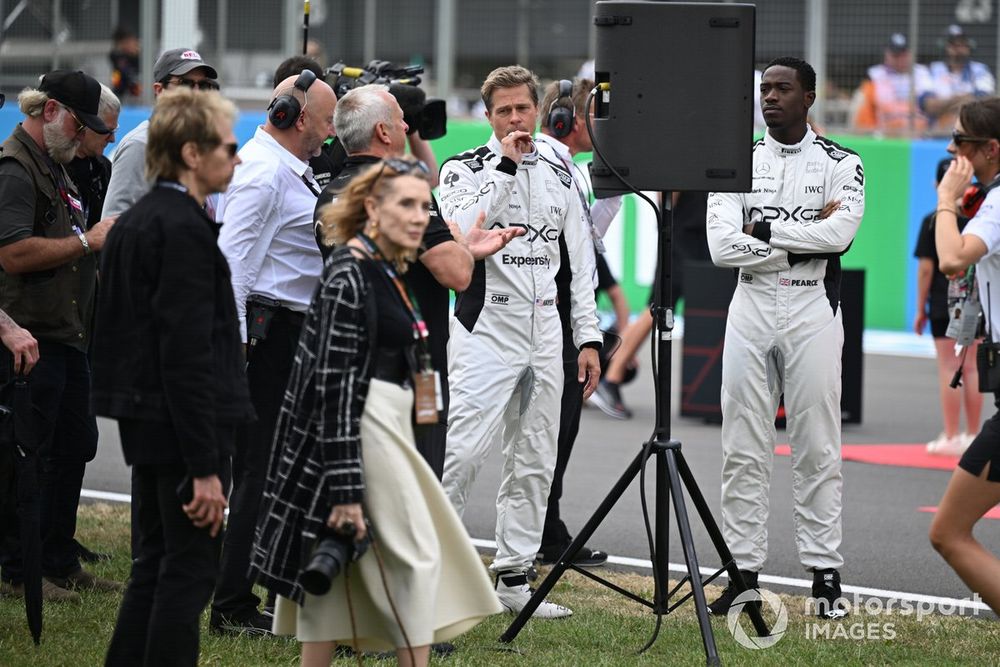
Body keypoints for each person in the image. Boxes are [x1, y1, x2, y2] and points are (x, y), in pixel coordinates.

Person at [251, 157, 501, 667]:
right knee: (414, 565)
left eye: (424, 206)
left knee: (339, 582)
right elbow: (333, 391)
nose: (418, 217)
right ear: (370, 208)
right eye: (405, 205)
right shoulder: (351, 275)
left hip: (387, 426)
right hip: (366, 430)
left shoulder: (385, 269)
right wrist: (344, 493)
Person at [438, 65, 603, 618]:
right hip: (486, 328)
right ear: (488, 116)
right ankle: (430, 571)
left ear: (539, 109)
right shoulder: (463, 167)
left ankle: (513, 578)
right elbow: (462, 227)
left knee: (535, 459)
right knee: (460, 452)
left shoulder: (560, 168)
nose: (515, 118)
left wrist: (588, 338)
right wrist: (507, 164)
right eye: (503, 110)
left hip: (545, 329)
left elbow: (581, 260)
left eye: (522, 108)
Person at [94, 87, 251, 667]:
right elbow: (186, 355)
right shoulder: (182, 229)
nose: (236, 159)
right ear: (191, 152)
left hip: (150, 422)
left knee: (155, 566)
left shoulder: (136, 222)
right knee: (187, 574)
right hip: (184, 428)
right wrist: (205, 468)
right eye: (228, 147)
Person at [705, 57, 865, 619]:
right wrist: (800, 239)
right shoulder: (734, 161)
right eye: (764, 89)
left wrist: (765, 229)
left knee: (817, 445)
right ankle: (742, 573)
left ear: (810, 96)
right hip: (748, 303)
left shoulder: (844, 163)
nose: (770, 97)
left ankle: (824, 575)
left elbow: (840, 235)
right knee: (741, 447)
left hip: (813, 306)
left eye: (782, 89)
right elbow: (722, 249)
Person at [315, 84, 519, 480]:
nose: (408, 124)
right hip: (412, 370)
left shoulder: (331, 191)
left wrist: (460, 247)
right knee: (416, 490)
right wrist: (461, 247)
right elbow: (457, 275)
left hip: (348, 366)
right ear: (383, 133)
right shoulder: (401, 192)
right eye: (399, 119)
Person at [212, 71, 338, 635]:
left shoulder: (290, 169)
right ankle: (232, 604)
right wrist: (234, 352)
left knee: (275, 472)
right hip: (266, 338)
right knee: (259, 472)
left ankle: (258, 591)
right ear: (299, 116)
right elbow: (231, 268)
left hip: (285, 333)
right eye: (328, 119)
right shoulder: (263, 173)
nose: (332, 132)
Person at [0, 70, 120, 603]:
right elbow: (13, 252)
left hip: (66, 332)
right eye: (79, 123)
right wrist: (87, 243)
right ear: (49, 110)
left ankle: (57, 558)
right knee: (25, 454)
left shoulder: (59, 164)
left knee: (74, 445)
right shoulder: (16, 168)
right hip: (30, 334)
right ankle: (15, 569)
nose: (82, 135)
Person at [532, 77, 618, 568]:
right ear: (567, 120)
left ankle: (548, 526)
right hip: (548, 313)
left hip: (565, 312)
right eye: (595, 117)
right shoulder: (550, 166)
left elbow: (589, 242)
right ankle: (541, 531)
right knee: (552, 430)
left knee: (561, 429)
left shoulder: (573, 170)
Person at [929, 96, 1000, 615]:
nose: (952, 149)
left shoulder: (996, 202)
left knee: (949, 532)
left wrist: (947, 200)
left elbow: (953, 259)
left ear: (990, 149)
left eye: (961, 140)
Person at [590, 191, 710, 420]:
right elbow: (669, 187)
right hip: (685, 232)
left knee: (666, 305)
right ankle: (612, 376)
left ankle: (613, 375)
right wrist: (669, 223)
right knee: (658, 305)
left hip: (700, 229)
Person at [102, 47, 219, 219]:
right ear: (159, 90)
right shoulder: (141, 146)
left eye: (203, 85)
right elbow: (112, 227)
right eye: (185, 84)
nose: (196, 93)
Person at [914, 157, 981, 455]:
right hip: (975, 302)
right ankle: (973, 434)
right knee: (972, 368)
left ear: (937, 185)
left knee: (949, 366)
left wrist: (920, 308)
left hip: (944, 303)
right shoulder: (981, 219)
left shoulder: (932, 221)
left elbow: (927, 269)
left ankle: (952, 435)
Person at [852, 33, 932, 136]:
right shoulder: (875, 75)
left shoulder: (923, 73)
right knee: (860, 98)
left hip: (919, 134)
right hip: (884, 134)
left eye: (904, 54)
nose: (900, 59)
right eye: (895, 55)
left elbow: (930, 103)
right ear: (887, 55)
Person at [922, 25, 995, 134]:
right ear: (944, 46)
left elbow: (984, 101)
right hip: (938, 132)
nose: (958, 48)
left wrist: (946, 104)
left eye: (962, 43)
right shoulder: (932, 69)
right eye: (953, 44)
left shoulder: (979, 69)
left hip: (972, 132)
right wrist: (964, 98)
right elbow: (929, 106)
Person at [67, 84, 120, 233]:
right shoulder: (52, 167)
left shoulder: (103, 168)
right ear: (86, 122)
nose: (112, 139)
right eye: (108, 131)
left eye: (115, 130)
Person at [108, 26, 141, 101]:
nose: (133, 44)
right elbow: (123, 72)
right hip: (120, 90)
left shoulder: (140, 57)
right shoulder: (116, 55)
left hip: (135, 92)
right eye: (128, 42)